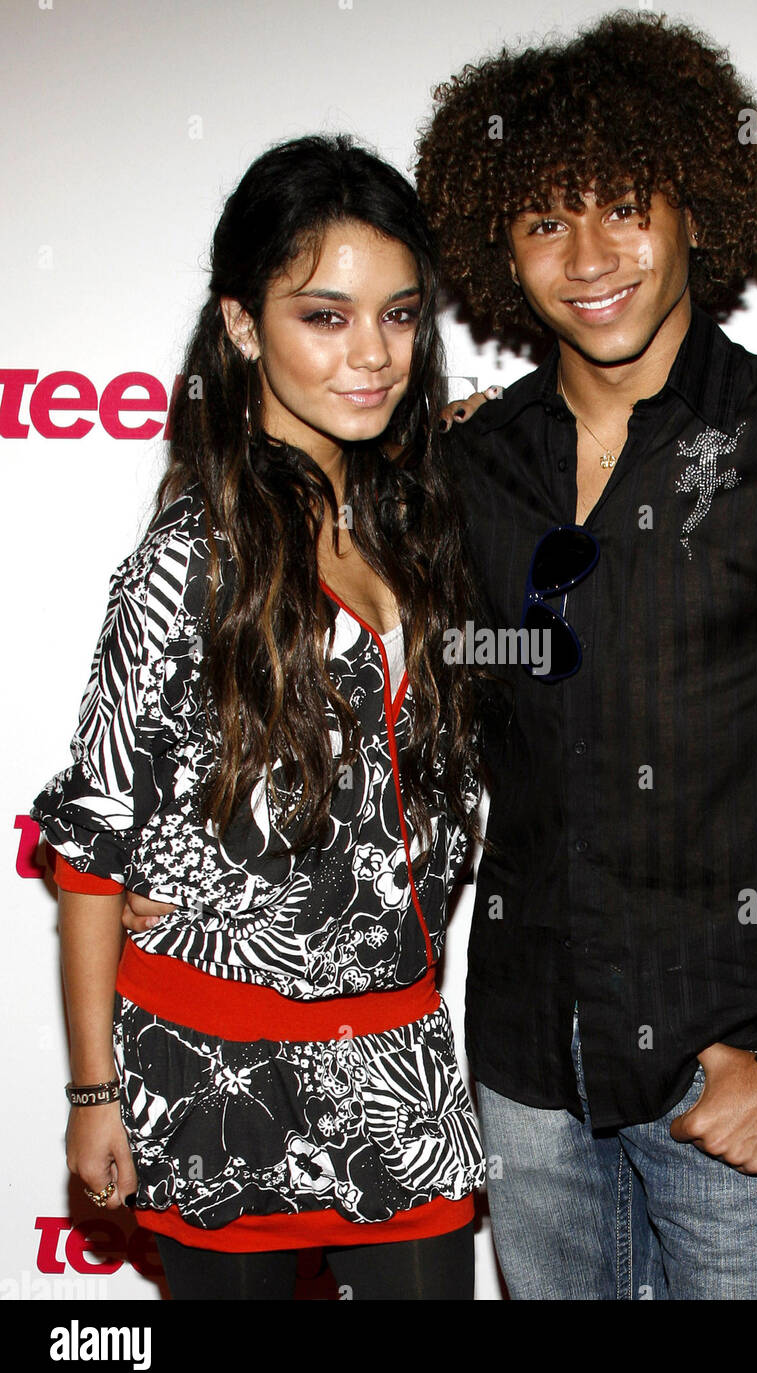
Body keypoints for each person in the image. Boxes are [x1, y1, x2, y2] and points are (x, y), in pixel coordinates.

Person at [414, 11, 757, 1299]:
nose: (588, 257)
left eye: (621, 208)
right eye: (544, 221)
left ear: (697, 210)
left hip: (732, 1081)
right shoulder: (465, 468)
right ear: (503, 248)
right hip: (527, 1078)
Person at [32, 133, 486, 1301]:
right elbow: (92, 845)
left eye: (398, 315)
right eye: (325, 317)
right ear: (243, 326)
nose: (372, 355)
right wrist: (94, 1094)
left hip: (398, 1057)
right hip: (212, 1061)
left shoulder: (417, 528)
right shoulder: (183, 566)